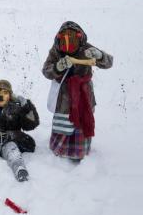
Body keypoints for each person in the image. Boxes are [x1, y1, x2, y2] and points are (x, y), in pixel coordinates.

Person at [42, 21, 113, 161]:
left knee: (81, 120)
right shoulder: (56, 50)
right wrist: (58, 67)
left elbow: (109, 62)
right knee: (64, 121)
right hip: (63, 95)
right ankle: (60, 149)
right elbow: (46, 71)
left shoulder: (86, 48)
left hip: (83, 94)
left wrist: (100, 56)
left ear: (79, 38)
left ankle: (80, 150)